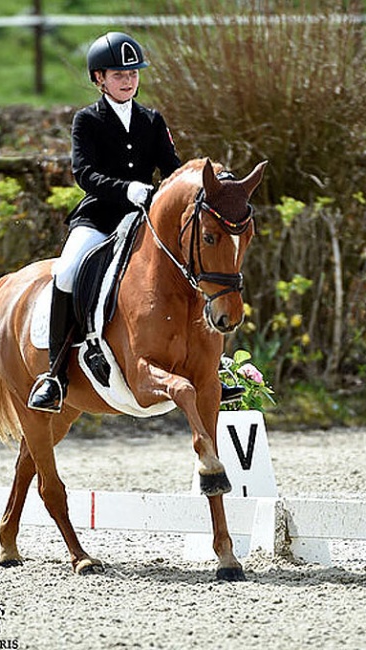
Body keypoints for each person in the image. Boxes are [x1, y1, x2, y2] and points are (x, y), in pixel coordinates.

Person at [28, 31, 244, 413]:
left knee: (192, 266)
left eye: (132, 74)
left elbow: (174, 171)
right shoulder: (87, 121)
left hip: (147, 221)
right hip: (100, 217)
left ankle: (211, 366)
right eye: (117, 75)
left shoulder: (151, 120)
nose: (127, 81)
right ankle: (55, 375)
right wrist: (125, 189)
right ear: (99, 79)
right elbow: (84, 173)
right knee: (66, 271)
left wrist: (195, 194)